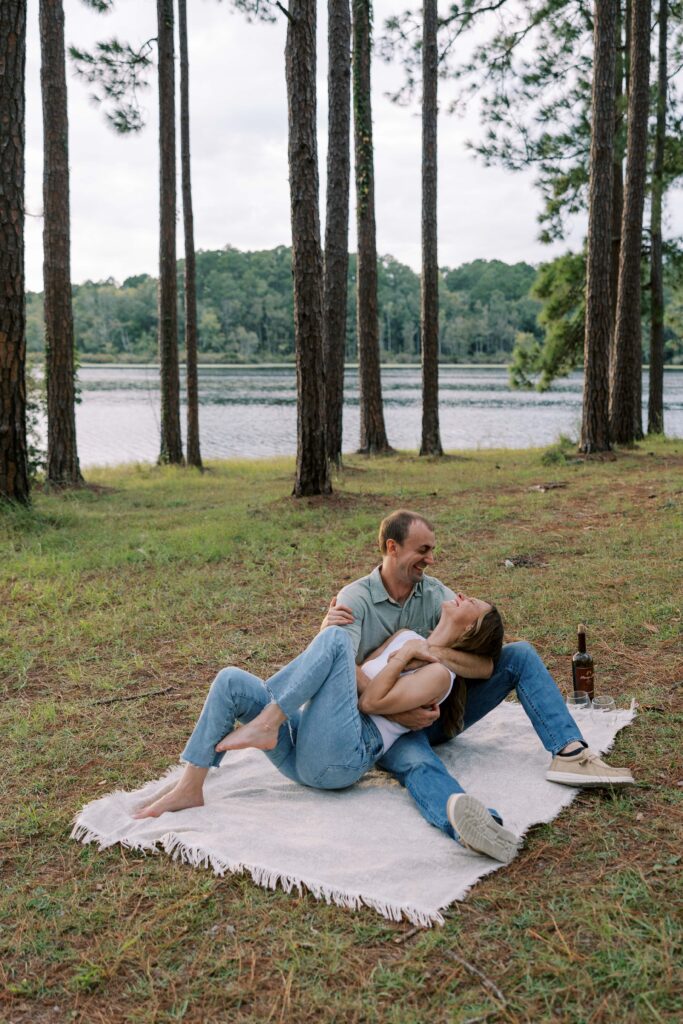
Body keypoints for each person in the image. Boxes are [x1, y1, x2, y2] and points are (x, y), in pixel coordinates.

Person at [319, 508, 634, 858]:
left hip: (436, 711)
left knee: (520, 655)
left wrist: (431, 650)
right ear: (392, 548)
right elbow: (339, 665)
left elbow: (483, 660)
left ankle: (570, 753)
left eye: (432, 549)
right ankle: (476, 826)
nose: (431, 559)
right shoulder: (354, 599)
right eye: (422, 550)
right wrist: (398, 711)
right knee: (419, 764)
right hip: (382, 724)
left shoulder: (435, 593)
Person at [132, 592, 519, 861]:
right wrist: (391, 652)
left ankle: (268, 721)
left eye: (475, 606)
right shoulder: (407, 637)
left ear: (471, 631)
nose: (464, 595)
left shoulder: (440, 675)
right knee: (231, 680)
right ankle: (190, 787)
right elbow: (346, 672)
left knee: (334, 639)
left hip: (345, 756)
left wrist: (401, 660)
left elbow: (369, 701)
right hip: (309, 742)